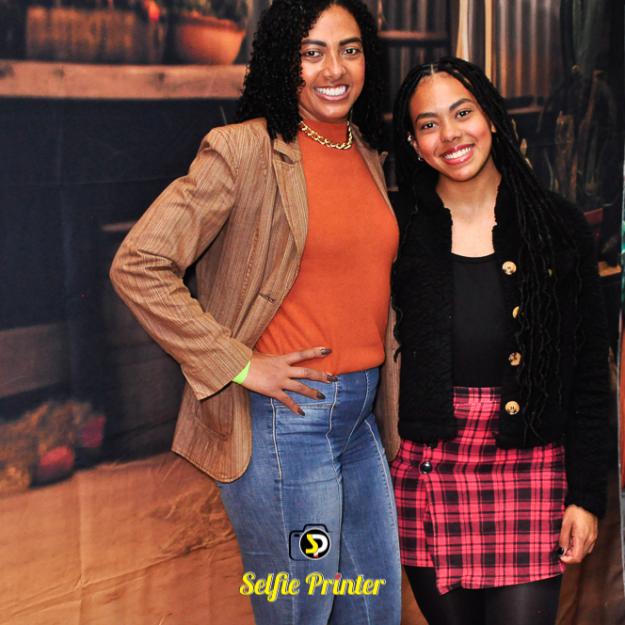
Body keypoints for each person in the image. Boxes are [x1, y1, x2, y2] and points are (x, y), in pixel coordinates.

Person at [109, 1, 401, 624]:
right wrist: (239, 364)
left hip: (360, 423)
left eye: (349, 49)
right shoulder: (243, 151)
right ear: (282, 61)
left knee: (373, 611)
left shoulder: (366, 152)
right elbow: (139, 263)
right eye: (311, 52)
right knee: (302, 609)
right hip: (287, 428)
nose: (334, 69)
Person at [389, 57, 610, 625]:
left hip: (532, 464)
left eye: (462, 113)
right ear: (413, 143)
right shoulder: (396, 228)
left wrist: (586, 496)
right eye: (429, 124)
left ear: (491, 117)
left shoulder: (558, 227)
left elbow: (590, 374)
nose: (450, 134)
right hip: (431, 466)